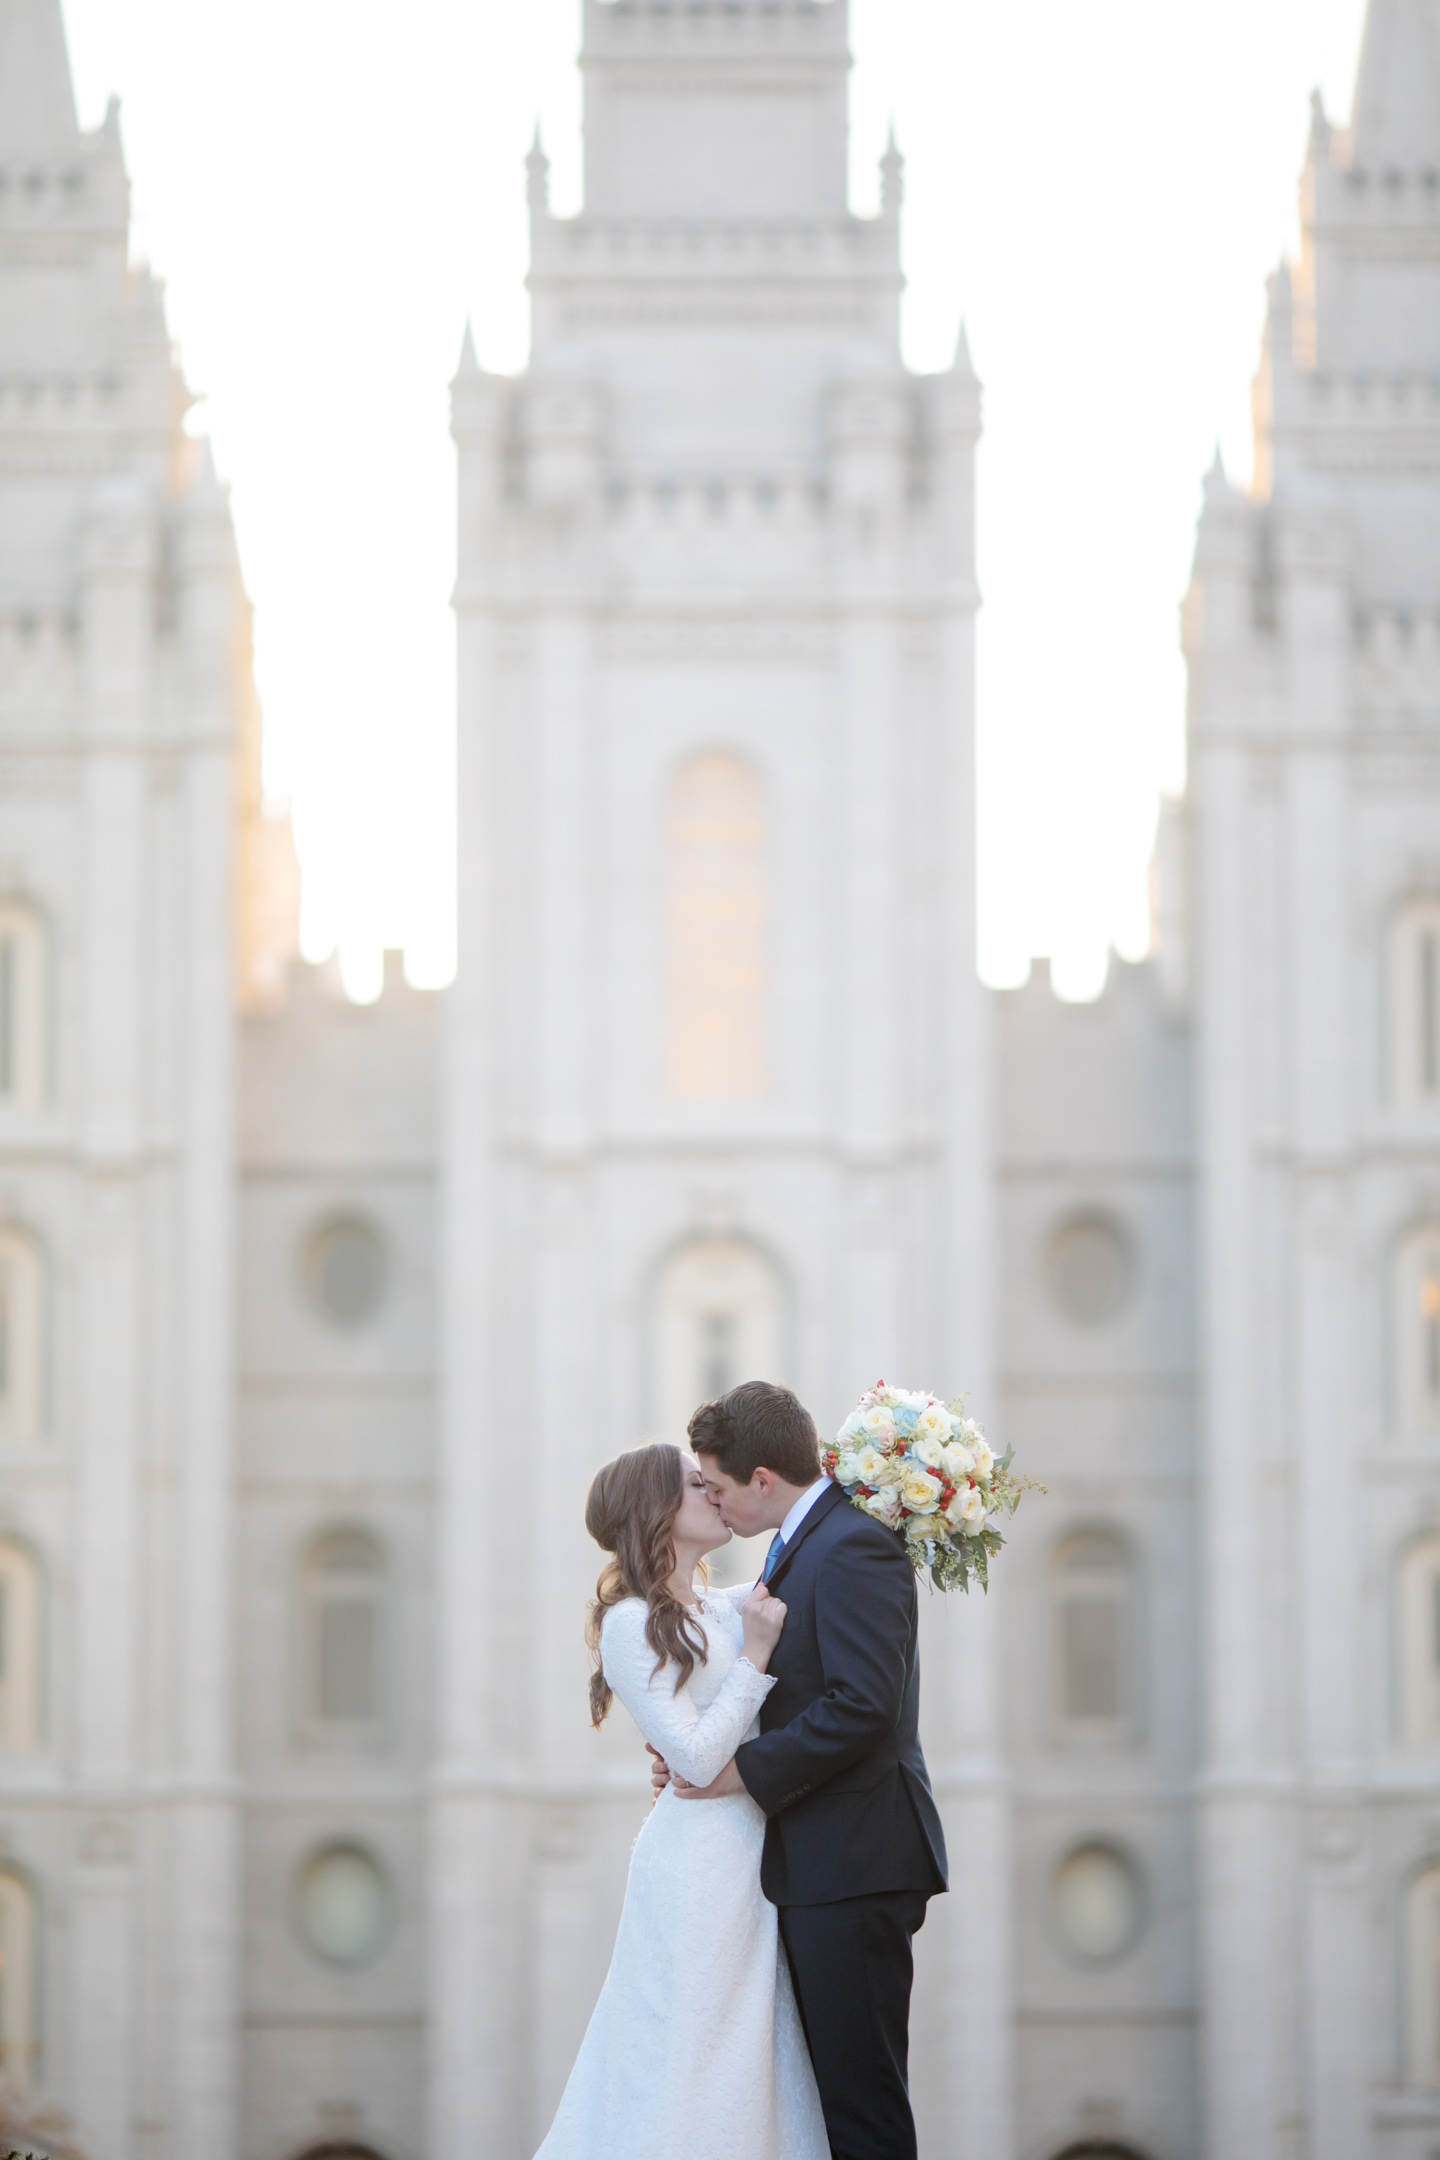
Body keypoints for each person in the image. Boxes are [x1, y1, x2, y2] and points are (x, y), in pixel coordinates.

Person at [653, 1380, 948, 2160]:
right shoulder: (803, 1545)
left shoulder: (851, 1544)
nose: (714, 1504)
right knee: (831, 2105)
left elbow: (862, 1706)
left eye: (716, 1488)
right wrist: (697, 1756)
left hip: (854, 1858)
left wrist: (736, 1773)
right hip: (822, 1858)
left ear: (761, 1480)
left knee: (862, 2106)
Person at [533, 1441, 828, 2160]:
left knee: (752, 2050)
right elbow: (695, 1757)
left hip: (749, 1852)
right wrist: (754, 1658)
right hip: (696, 1867)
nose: (717, 1494)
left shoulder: (724, 1605)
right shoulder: (631, 1622)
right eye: (699, 1485)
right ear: (659, 1511)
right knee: (693, 2050)